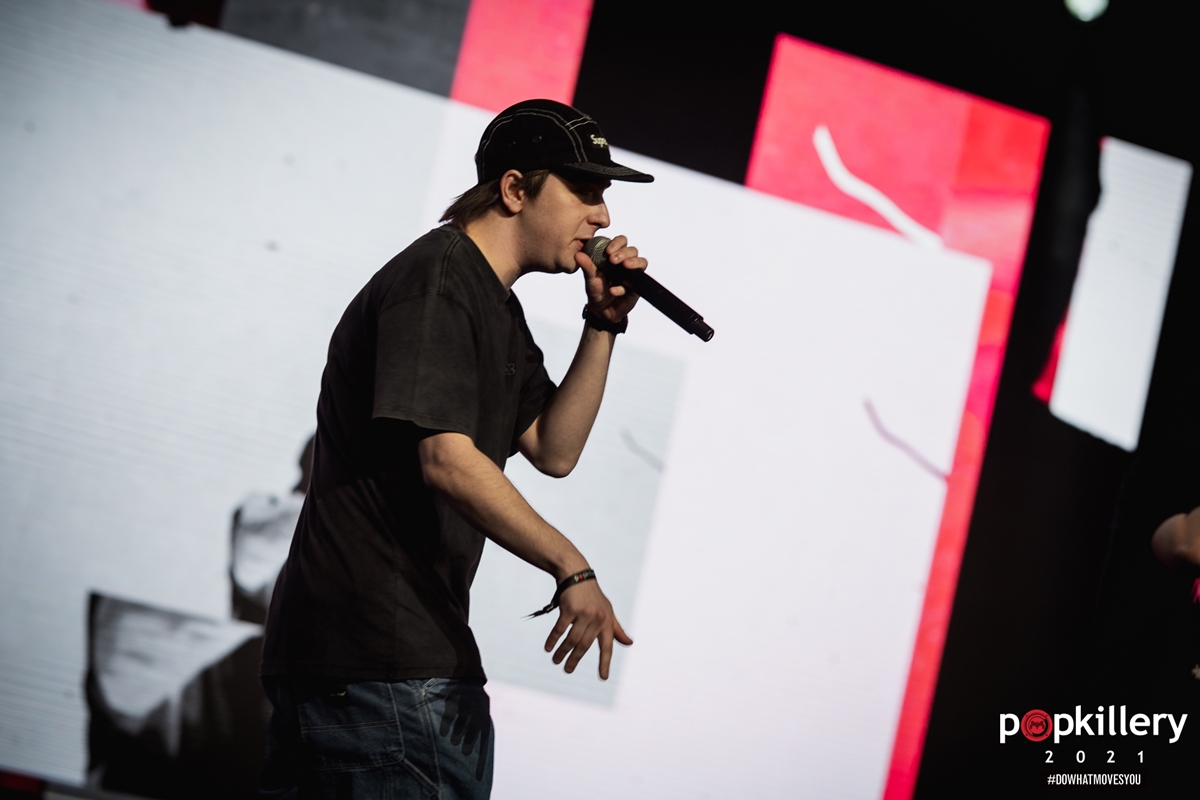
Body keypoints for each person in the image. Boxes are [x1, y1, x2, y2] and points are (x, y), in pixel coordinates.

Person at [259, 99, 655, 799]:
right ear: (514, 189)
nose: (602, 216)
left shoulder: (490, 301)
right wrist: (571, 567)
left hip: (380, 667)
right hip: (385, 667)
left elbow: (554, 447)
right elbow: (446, 459)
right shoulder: (438, 281)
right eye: (585, 191)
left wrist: (603, 322)